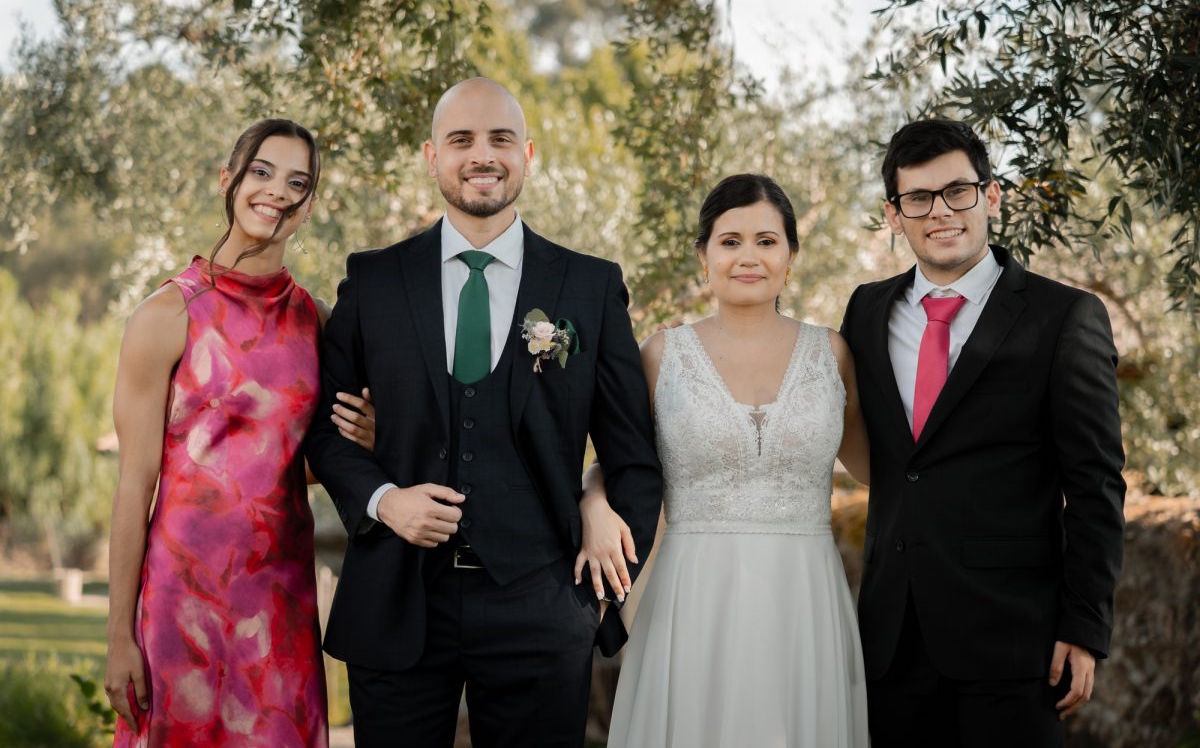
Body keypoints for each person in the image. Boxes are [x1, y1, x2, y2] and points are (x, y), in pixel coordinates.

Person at [303, 77, 664, 747]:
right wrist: (384, 500)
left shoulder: (588, 286)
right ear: (431, 157)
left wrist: (596, 593)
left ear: (527, 154)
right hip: (397, 598)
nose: (482, 155)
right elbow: (325, 432)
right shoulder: (375, 280)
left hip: (542, 607)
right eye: (461, 139)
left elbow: (635, 459)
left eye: (500, 139)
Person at [840, 118, 1126, 746]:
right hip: (890, 643)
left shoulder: (1064, 317)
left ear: (990, 196)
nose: (940, 212)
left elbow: (1097, 485)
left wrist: (1084, 626)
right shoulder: (864, 311)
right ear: (894, 215)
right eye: (918, 198)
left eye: (957, 191)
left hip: (1015, 644)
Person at [104, 119, 376, 747]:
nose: (277, 191)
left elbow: (295, 460)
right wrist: (119, 634)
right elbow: (134, 486)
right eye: (262, 171)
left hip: (280, 601)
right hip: (181, 599)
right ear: (227, 178)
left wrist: (363, 438)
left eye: (297, 183)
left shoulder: (318, 322)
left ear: (309, 206)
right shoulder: (166, 314)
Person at [580, 173, 872, 747]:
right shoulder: (661, 354)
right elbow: (613, 461)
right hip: (693, 597)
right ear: (704, 255)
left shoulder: (833, 353)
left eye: (767, 241)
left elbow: (879, 468)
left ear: (791, 255)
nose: (749, 256)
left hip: (805, 597)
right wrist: (592, 505)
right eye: (730, 241)